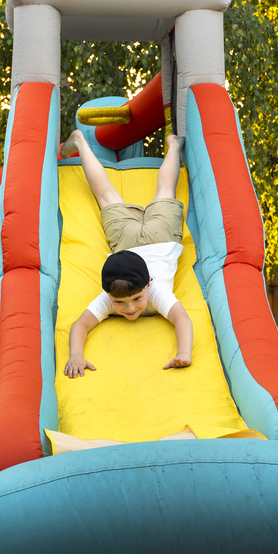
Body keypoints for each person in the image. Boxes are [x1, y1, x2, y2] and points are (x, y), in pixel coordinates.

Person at [59, 129, 193, 378]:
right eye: (119, 302)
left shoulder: (146, 292)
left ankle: (173, 145)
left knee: (112, 195)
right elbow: (81, 325)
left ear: (148, 284)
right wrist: (76, 354)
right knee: (150, 193)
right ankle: (171, 146)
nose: (130, 308)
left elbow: (182, 319)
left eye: (137, 299)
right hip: (151, 240)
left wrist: (185, 352)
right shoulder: (116, 292)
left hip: (133, 243)